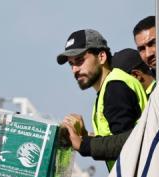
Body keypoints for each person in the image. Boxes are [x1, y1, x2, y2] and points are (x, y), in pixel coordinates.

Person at [57, 29, 147, 169]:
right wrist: (84, 135)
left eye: (80, 60)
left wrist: (82, 144)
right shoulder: (110, 87)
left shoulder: (115, 87)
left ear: (101, 57)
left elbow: (128, 142)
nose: (75, 69)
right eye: (71, 64)